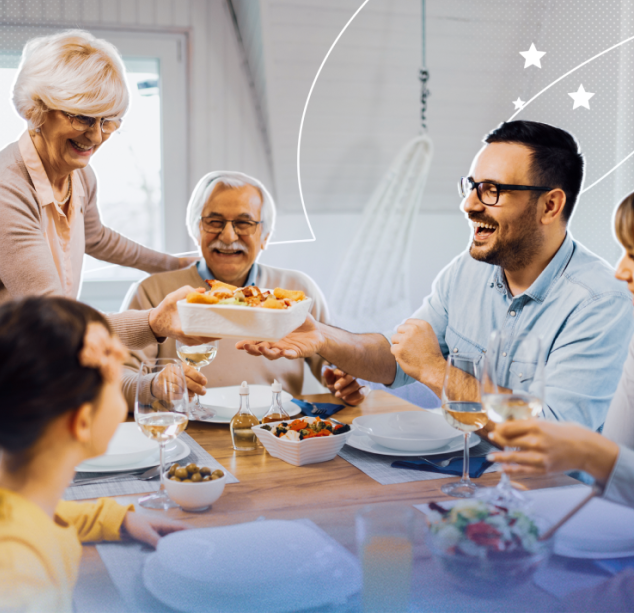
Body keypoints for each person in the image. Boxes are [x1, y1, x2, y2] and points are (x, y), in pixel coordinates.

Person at [238, 120, 634, 429]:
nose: (469, 204)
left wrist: (435, 371)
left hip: (548, 505)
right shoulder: (466, 270)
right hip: (459, 479)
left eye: (491, 190)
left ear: (550, 205)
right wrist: (323, 336)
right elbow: (396, 361)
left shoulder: (600, 301)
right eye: (472, 186)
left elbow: (551, 439)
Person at [0, 29, 207, 351]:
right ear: (36, 109)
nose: (96, 137)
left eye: (109, 121)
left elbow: (95, 237)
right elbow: (54, 319)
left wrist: (174, 266)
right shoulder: (6, 190)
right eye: (82, 118)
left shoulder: (79, 176)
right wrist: (154, 323)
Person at [0, 297, 189, 612]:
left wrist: (114, 519)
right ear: (82, 422)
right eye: (115, 383)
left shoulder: (21, 500)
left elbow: (42, 511)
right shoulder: (18, 577)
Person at [120, 171, 364, 407]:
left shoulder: (298, 290)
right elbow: (116, 379)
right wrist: (153, 385)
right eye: (214, 222)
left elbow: (333, 362)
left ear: (265, 236)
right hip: (187, 436)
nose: (227, 236)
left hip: (277, 433)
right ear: (196, 230)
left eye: (244, 223)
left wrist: (346, 380)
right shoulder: (152, 291)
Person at [489, 191, 634, 508]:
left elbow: (606, 462)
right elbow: (614, 488)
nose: (621, 271)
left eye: (633, 255)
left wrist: (592, 454)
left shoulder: (601, 303)